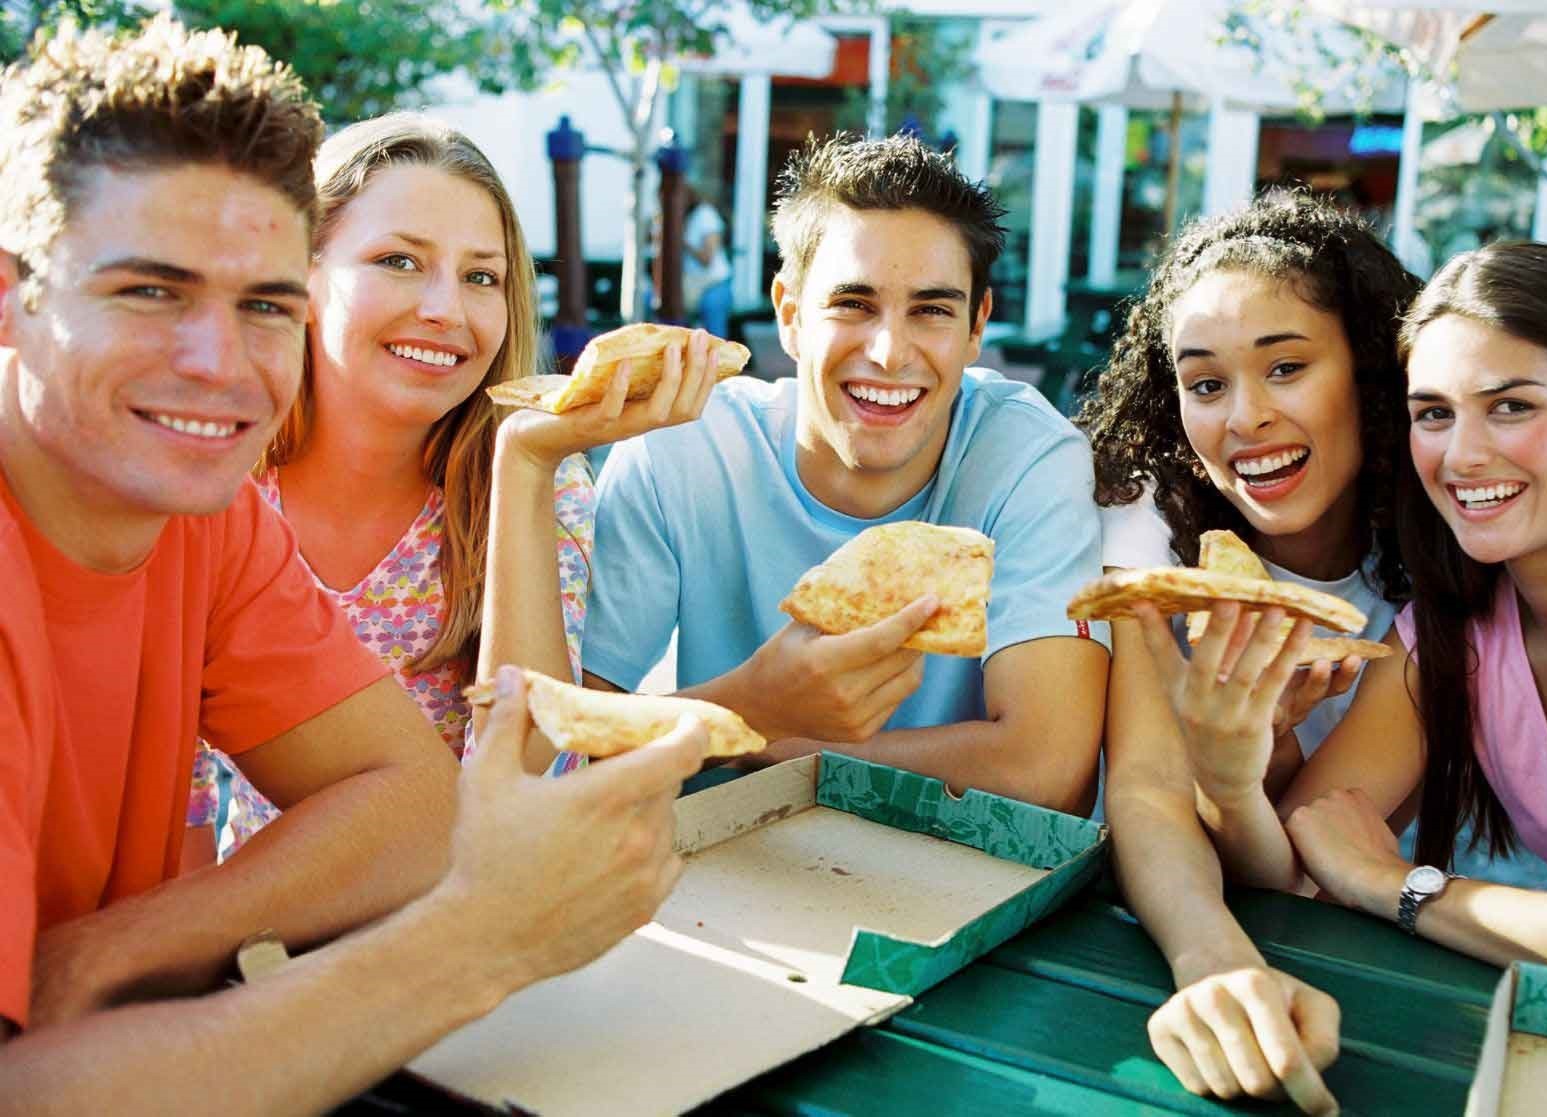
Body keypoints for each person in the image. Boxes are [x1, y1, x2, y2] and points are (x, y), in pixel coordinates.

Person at [0, 19, 701, 1110]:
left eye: (264, 304)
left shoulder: (204, 512)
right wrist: (479, 942)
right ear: (13, 293)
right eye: (150, 290)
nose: (216, 364)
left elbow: (421, 806)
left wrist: (104, 955)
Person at [188, 113, 720, 852]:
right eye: (399, 262)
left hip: (473, 919)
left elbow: (526, 769)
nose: (445, 309)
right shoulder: (218, 484)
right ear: (303, 273)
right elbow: (178, 796)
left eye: (481, 277)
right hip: (260, 931)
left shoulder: (544, 479)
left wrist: (526, 466)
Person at [1136, 241, 1547, 989]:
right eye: (1434, 413)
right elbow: (1296, 870)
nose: (1461, 455)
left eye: (1511, 406)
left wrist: (1402, 886)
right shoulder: (1448, 641)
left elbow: (1357, 868)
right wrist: (1232, 780)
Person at [582, 133, 1110, 813]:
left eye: (932, 310)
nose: (890, 352)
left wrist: (763, 734)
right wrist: (751, 704)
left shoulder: (1027, 456)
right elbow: (575, 739)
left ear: (977, 325)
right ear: (791, 314)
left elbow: (1048, 772)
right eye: (853, 304)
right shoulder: (683, 449)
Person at [1080, 191, 1420, 1114]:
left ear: (1371, 373)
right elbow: (1146, 791)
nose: (1245, 418)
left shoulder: (1446, 557)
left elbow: (1315, 852)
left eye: (1287, 367)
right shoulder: (1146, 540)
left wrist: (1246, 776)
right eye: (1206, 383)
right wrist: (1210, 958)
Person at [683, 191, 731, 338]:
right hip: (690, 284)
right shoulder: (684, 217)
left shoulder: (705, 215)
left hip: (714, 283)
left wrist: (683, 242)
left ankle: (718, 358)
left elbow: (707, 259)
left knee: (711, 307)